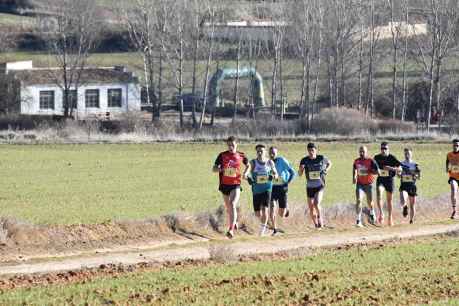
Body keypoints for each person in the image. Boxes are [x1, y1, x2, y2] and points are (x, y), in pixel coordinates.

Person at [213, 136, 249, 238]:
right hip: (224, 185)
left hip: (236, 184)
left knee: (232, 204)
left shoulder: (241, 155)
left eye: (232, 145)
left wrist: (245, 173)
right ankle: (235, 222)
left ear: (236, 144)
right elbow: (214, 169)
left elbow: (248, 165)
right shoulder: (222, 155)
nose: (230, 147)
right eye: (229, 145)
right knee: (229, 208)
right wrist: (220, 169)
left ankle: (231, 230)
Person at [243, 144, 278, 236]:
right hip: (256, 191)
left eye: (261, 151)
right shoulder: (253, 162)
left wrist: (273, 176)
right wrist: (248, 178)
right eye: (258, 151)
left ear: (265, 152)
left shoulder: (270, 162)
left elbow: (276, 174)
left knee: (265, 209)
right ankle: (264, 224)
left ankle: (262, 231)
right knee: (257, 214)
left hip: (267, 189)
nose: (259, 153)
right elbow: (245, 174)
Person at [298, 143, 332, 229]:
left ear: (316, 150)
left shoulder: (321, 158)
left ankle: (321, 220)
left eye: (312, 150)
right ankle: (316, 225)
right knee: (311, 208)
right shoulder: (304, 160)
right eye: (309, 151)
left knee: (316, 204)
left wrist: (326, 170)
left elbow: (330, 163)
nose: (311, 152)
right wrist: (301, 169)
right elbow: (299, 174)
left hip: (320, 185)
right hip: (309, 186)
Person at [269, 146, 296, 235]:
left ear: (277, 153)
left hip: (282, 187)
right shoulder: (267, 162)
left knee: (281, 213)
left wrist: (288, 182)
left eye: (274, 153)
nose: (272, 155)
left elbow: (292, 172)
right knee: (272, 207)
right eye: (270, 153)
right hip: (272, 188)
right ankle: (275, 229)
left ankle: (286, 210)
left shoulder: (282, 160)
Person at [374, 142, 402, 226]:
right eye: (382, 148)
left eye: (385, 148)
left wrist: (392, 169)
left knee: (389, 200)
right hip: (381, 180)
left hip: (389, 180)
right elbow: (372, 167)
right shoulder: (376, 157)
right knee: (379, 193)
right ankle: (381, 213)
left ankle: (390, 217)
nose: (383, 150)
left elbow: (400, 168)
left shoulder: (392, 157)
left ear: (388, 149)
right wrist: (375, 171)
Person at [352, 146, 379, 227]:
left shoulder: (371, 161)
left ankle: (372, 211)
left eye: (363, 152)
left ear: (366, 152)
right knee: (359, 200)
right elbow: (354, 168)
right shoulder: (356, 161)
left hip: (369, 184)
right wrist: (354, 177)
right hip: (360, 184)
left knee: (369, 202)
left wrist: (371, 171)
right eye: (360, 151)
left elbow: (378, 171)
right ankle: (358, 220)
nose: (361, 153)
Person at [399, 148, 421, 224]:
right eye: (405, 153)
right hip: (404, 185)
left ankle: (411, 221)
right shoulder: (401, 164)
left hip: (412, 186)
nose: (407, 155)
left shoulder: (415, 165)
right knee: (402, 198)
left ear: (411, 154)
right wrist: (399, 173)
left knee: (412, 205)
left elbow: (419, 177)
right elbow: (398, 175)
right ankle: (405, 207)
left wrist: (414, 175)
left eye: (408, 153)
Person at [446, 139, 459, 220]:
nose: (456, 147)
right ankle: (454, 210)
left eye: (457, 145)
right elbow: (447, 165)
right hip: (453, 176)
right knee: (453, 190)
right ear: (452, 145)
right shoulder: (449, 154)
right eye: (454, 145)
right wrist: (448, 169)